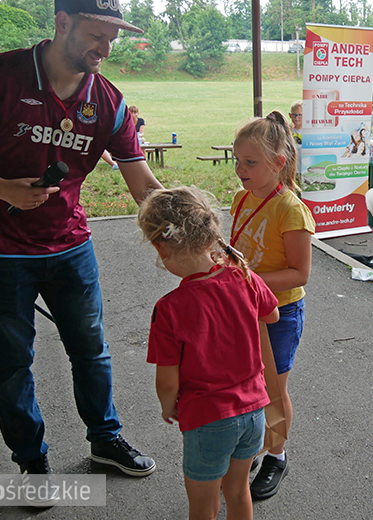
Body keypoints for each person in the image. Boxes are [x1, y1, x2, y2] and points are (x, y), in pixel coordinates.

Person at [0, 0, 162, 494]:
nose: (104, 47)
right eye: (95, 34)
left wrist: (189, 232)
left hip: (70, 246)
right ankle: (31, 462)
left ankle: (105, 439)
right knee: (13, 361)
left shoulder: (108, 102)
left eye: (112, 38)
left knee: (92, 351)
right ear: (62, 23)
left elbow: (141, 182)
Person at [140, 186, 280, 520]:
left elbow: (167, 380)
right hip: (253, 412)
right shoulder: (244, 277)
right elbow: (272, 315)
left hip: (208, 419)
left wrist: (167, 406)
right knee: (238, 491)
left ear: (162, 249)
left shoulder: (169, 309)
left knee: (203, 506)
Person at [230, 111, 315, 500]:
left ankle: (276, 456)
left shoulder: (290, 208)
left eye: (250, 162)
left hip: (279, 314)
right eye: (237, 160)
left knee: (273, 390)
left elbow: (299, 273)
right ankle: (250, 448)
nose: (240, 169)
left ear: (279, 164)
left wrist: (247, 279)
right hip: (242, 311)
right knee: (244, 384)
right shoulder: (240, 199)